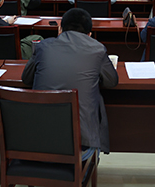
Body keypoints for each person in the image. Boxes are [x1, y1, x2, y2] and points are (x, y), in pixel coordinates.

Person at [22, 8, 118, 157]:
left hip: (38, 141)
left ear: (60, 29)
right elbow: (112, 81)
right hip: (80, 146)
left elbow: (26, 78)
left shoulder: (43, 46)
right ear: (89, 34)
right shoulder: (97, 49)